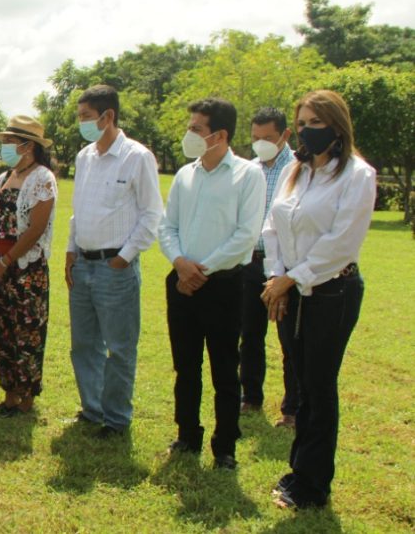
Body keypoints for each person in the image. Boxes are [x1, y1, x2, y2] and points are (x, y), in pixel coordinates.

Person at [261, 90, 375, 510]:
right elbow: (273, 224)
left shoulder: (358, 176)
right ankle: (298, 470)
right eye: (302, 122)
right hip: (289, 289)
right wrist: (276, 276)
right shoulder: (296, 170)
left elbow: (340, 243)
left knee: (319, 387)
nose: (306, 130)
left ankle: (312, 485)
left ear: (336, 126)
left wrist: (291, 279)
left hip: (331, 292)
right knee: (300, 383)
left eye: (313, 122)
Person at [159, 98, 265, 470]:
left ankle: (225, 448)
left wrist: (200, 270)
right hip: (182, 282)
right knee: (185, 366)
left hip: (223, 284)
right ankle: (187, 434)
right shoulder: (186, 175)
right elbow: (167, 226)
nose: (189, 135)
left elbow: (245, 235)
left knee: (224, 368)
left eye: (196, 129)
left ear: (219, 135)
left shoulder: (248, 175)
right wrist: (180, 264)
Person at [66, 84, 163, 437]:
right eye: (80, 118)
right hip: (83, 264)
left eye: (87, 117)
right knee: (84, 345)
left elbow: (152, 214)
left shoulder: (137, 157)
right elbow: (78, 211)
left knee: (119, 348)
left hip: (114, 268)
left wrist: (123, 258)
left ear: (108, 117)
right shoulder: (85, 157)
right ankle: (93, 409)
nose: (82, 124)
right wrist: (69, 252)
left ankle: (116, 419)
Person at [0, 116, 57, 416]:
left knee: (26, 331)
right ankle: (9, 391)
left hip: (26, 270)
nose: (6, 148)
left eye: (11, 142)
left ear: (28, 146)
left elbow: (35, 228)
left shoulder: (42, 178)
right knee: (1, 331)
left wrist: (7, 260)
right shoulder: (4, 178)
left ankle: (26, 396)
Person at [242, 107, 298, 428]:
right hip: (250, 263)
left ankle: (292, 408)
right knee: (249, 334)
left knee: (288, 340)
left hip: (283, 265)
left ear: (285, 136)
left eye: (268, 138)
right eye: (255, 138)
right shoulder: (249, 170)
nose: (260, 143)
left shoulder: (297, 170)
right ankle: (250, 397)